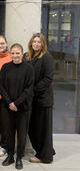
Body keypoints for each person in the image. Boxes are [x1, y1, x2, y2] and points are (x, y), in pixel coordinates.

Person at [0, 43, 34, 170]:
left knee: (22, 134)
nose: (15, 56)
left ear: (22, 53)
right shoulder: (5, 67)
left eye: (17, 53)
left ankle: (19, 157)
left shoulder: (29, 69)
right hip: (7, 107)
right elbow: (2, 87)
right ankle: (10, 156)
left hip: (23, 108)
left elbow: (29, 89)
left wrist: (17, 103)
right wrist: (10, 103)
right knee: (8, 133)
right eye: (13, 53)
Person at [25, 33, 55, 164]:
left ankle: (45, 156)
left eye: (39, 42)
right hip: (33, 99)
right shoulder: (29, 56)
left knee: (43, 129)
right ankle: (47, 149)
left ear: (43, 44)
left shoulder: (47, 57)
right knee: (34, 128)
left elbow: (48, 78)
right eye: (34, 41)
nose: (36, 44)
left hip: (43, 99)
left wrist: (33, 91)